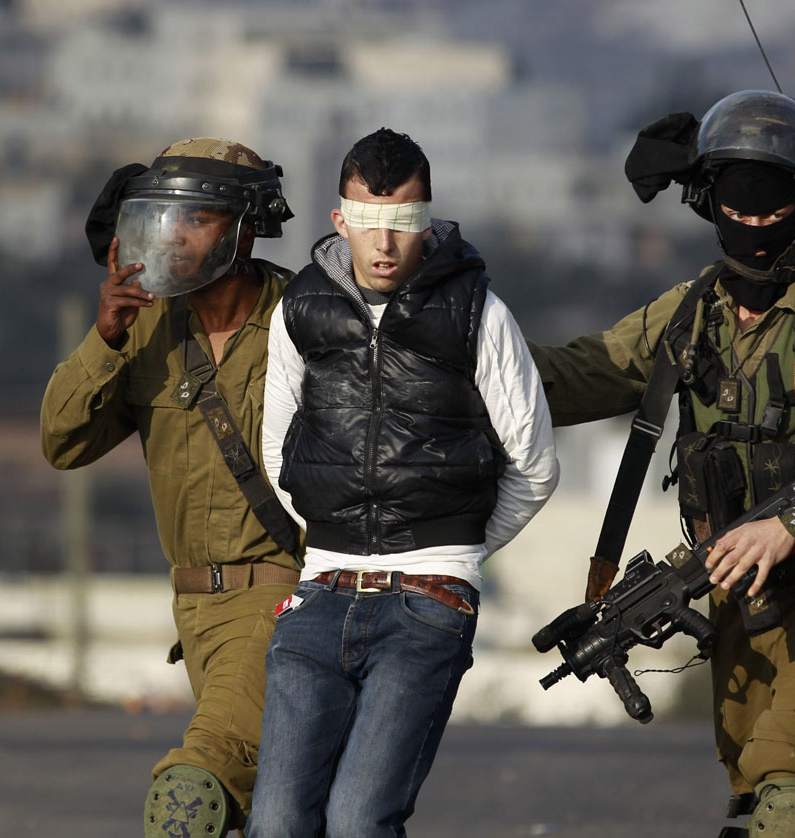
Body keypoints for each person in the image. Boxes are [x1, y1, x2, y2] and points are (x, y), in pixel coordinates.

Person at [528, 90, 795, 837]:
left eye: (769, 211)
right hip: (734, 602)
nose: (750, 229)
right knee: (752, 802)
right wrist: (457, 344)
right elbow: (570, 377)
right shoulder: (691, 313)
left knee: (789, 800)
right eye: (734, 212)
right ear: (708, 206)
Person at [246, 127, 558, 838]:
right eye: (370, 222)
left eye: (405, 224)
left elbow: (535, 464)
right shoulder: (299, 310)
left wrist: (453, 552)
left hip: (429, 601)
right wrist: (334, 536)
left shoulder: (481, 312)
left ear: (430, 221)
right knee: (275, 822)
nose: (385, 244)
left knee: (358, 821)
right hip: (320, 591)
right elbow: (278, 445)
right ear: (341, 220)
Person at [40, 137, 300, 838]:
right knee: (281, 814)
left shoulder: (306, 319)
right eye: (167, 218)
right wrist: (105, 340)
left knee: (191, 796)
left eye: (199, 219)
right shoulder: (147, 325)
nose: (175, 237)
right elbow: (62, 442)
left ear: (247, 231)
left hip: (286, 599)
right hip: (195, 612)